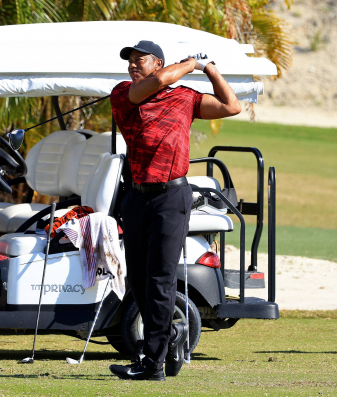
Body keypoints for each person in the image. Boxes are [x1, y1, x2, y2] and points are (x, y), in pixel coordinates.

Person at [108, 41, 241, 381]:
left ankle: (152, 364)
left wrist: (209, 68)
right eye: (130, 61)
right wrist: (190, 63)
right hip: (137, 197)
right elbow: (152, 85)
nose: (133, 66)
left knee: (160, 280)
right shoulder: (124, 93)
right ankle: (172, 337)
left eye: (141, 60)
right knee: (137, 280)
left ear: (158, 62)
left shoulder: (184, 98)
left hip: (172, 196)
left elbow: (231, 106)